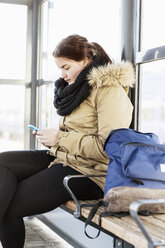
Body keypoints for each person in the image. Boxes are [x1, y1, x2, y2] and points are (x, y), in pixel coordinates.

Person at [0, 34, 134, 248]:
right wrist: (53, 140)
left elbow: (108, 149)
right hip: (62, 156)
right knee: (3, 162)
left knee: (11, 205)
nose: (62, 75)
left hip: (91, 171)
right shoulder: (79, 88)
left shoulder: (110, 91)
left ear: (85, 61)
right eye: (60, 69)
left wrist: (59, 137)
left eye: (66, 67)